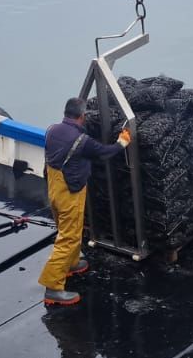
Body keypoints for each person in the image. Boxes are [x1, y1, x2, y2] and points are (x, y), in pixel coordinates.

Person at [38, 97, 130, 306]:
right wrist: (122, 143)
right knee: (68, 238)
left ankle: (71, 264)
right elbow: (104, 153)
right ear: (82, 116)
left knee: (67, 229)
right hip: (70, 192)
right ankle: (53, 288)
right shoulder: (81, 141)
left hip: (54, 188)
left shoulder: (52, 129)